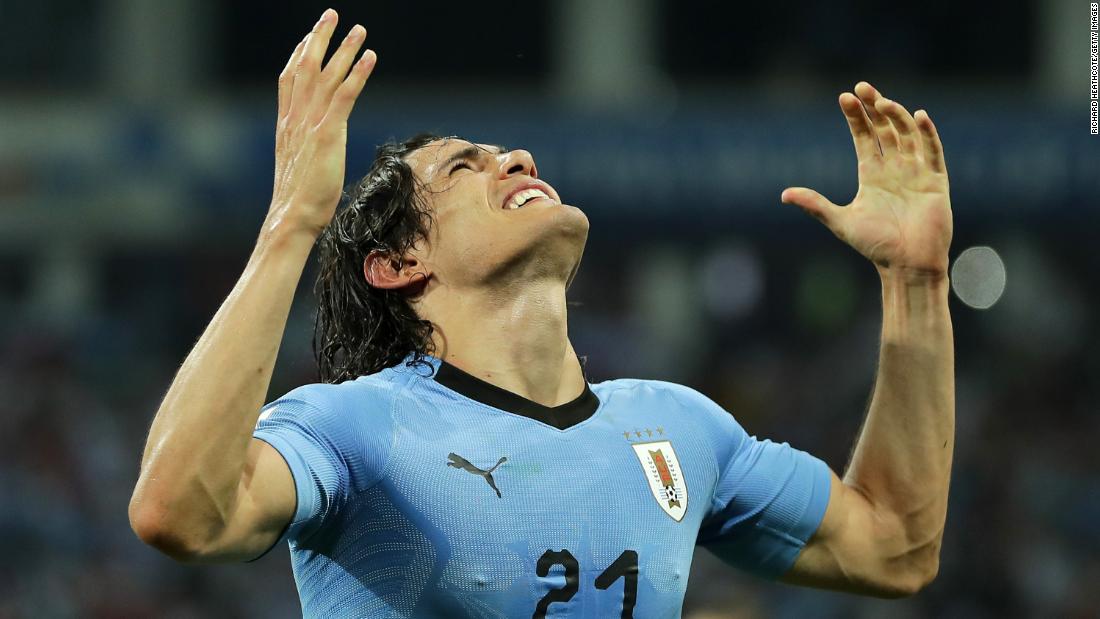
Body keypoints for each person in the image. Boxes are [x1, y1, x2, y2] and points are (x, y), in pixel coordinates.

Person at [128, 8, 955, 618]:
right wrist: (291, 226)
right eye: (463, 168)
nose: (517, 157)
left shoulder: (679, 428)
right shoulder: (351, 429)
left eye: (507, 154)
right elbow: (180, 514)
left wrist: (916, 283)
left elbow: (894, 545)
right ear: (399, 263)